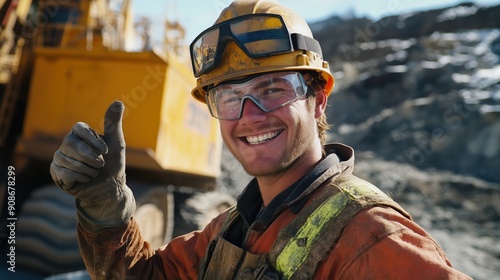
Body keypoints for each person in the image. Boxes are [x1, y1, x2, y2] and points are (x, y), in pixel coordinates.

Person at [49, 0, 471, 279]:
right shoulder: (232, 230)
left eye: (272, 89)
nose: (250, 115)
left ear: (318, 99)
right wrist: (104, 212)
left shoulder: (372, 238)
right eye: (230, 96)